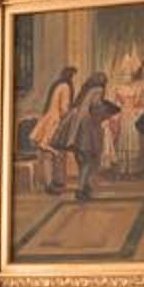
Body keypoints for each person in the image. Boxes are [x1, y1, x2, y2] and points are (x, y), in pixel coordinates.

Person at [51, 70, 118, 200]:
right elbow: (96, 105)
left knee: (81, 157)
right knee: (88, 158)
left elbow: (81, 106)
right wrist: (109, 110)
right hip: (86, 125)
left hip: (74, 123)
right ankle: (80, 190)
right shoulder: (98, 89)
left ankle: (85, 186)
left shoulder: (84, 91)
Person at [26, 66, 76, 192]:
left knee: (47, 154)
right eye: (73, 76)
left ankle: (51, 183)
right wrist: (72, 114)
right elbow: (64, 109)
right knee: (51, 152)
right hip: (55, 121)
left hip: (49, 118)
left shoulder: (57, 85)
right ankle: (52, 184)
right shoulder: (65, 87)